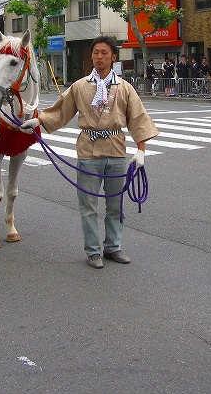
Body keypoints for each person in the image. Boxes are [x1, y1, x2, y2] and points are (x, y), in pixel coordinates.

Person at [20, 36, 158, 269]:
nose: (99, 57)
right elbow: (61, 110)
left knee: (115, 205)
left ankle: (113, 247)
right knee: (89, 206)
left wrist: (141, 151)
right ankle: (93, 251)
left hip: (116, 151)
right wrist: (38, 120)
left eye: (104, 53)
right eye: (96, 53)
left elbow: (138, 119)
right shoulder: (80, 86)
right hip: (87, 151)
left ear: (113, 57)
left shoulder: (125, 88)